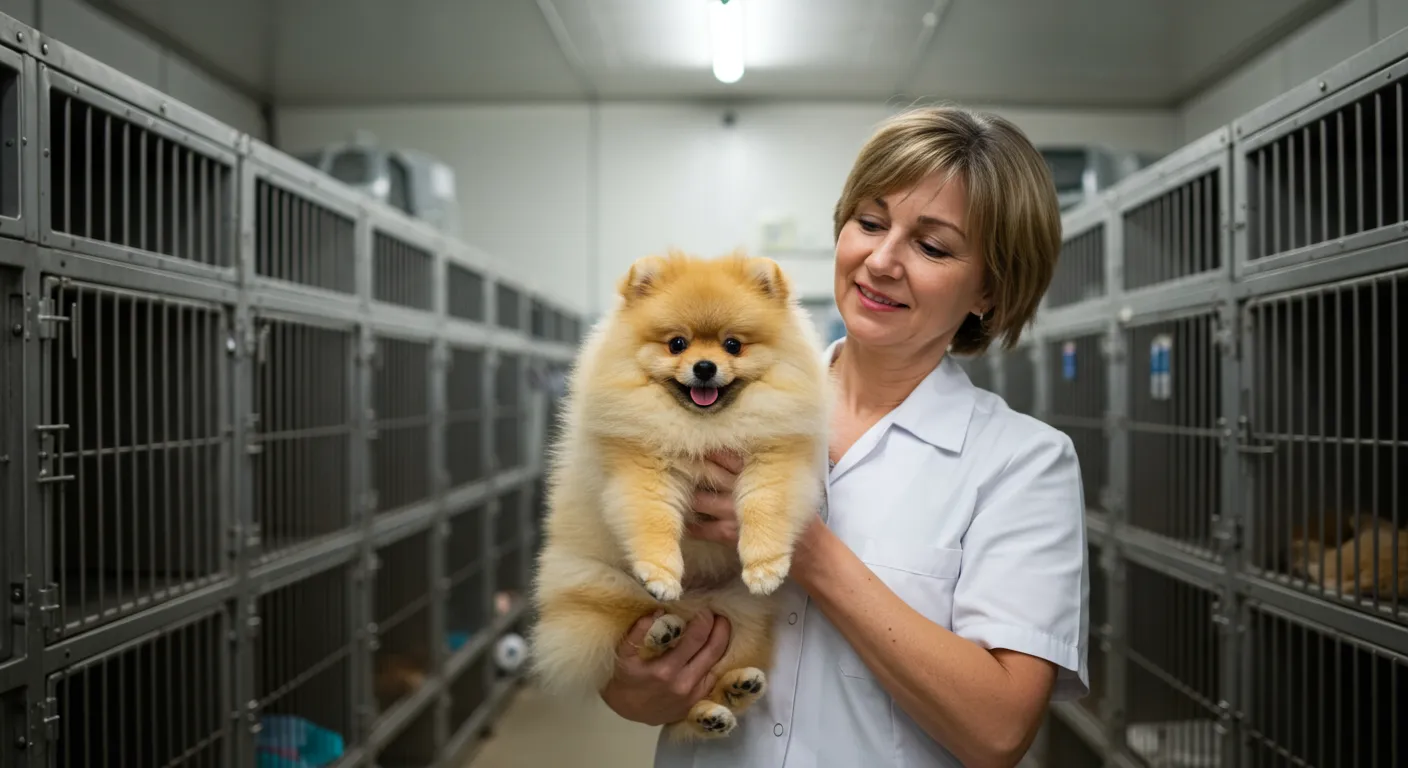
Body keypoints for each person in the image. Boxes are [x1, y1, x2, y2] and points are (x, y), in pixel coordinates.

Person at [600, 105, 1089, 768]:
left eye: (932, 246)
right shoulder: (698, 406)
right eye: (870, 221)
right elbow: (625, 675)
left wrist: (805, 550)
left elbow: (999, 731)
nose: (881, 260)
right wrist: (639, 684)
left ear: (990, 292)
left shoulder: (1022, 464)